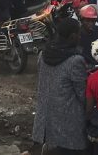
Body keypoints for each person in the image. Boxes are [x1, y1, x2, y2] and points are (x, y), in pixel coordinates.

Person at [33, 18, 88, 154]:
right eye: (79, 33)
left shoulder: (44, 54)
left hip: (45, 118)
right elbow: (82, 94)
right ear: (73, 36)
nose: (80, 36)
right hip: (68, 121)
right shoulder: (75, 60)